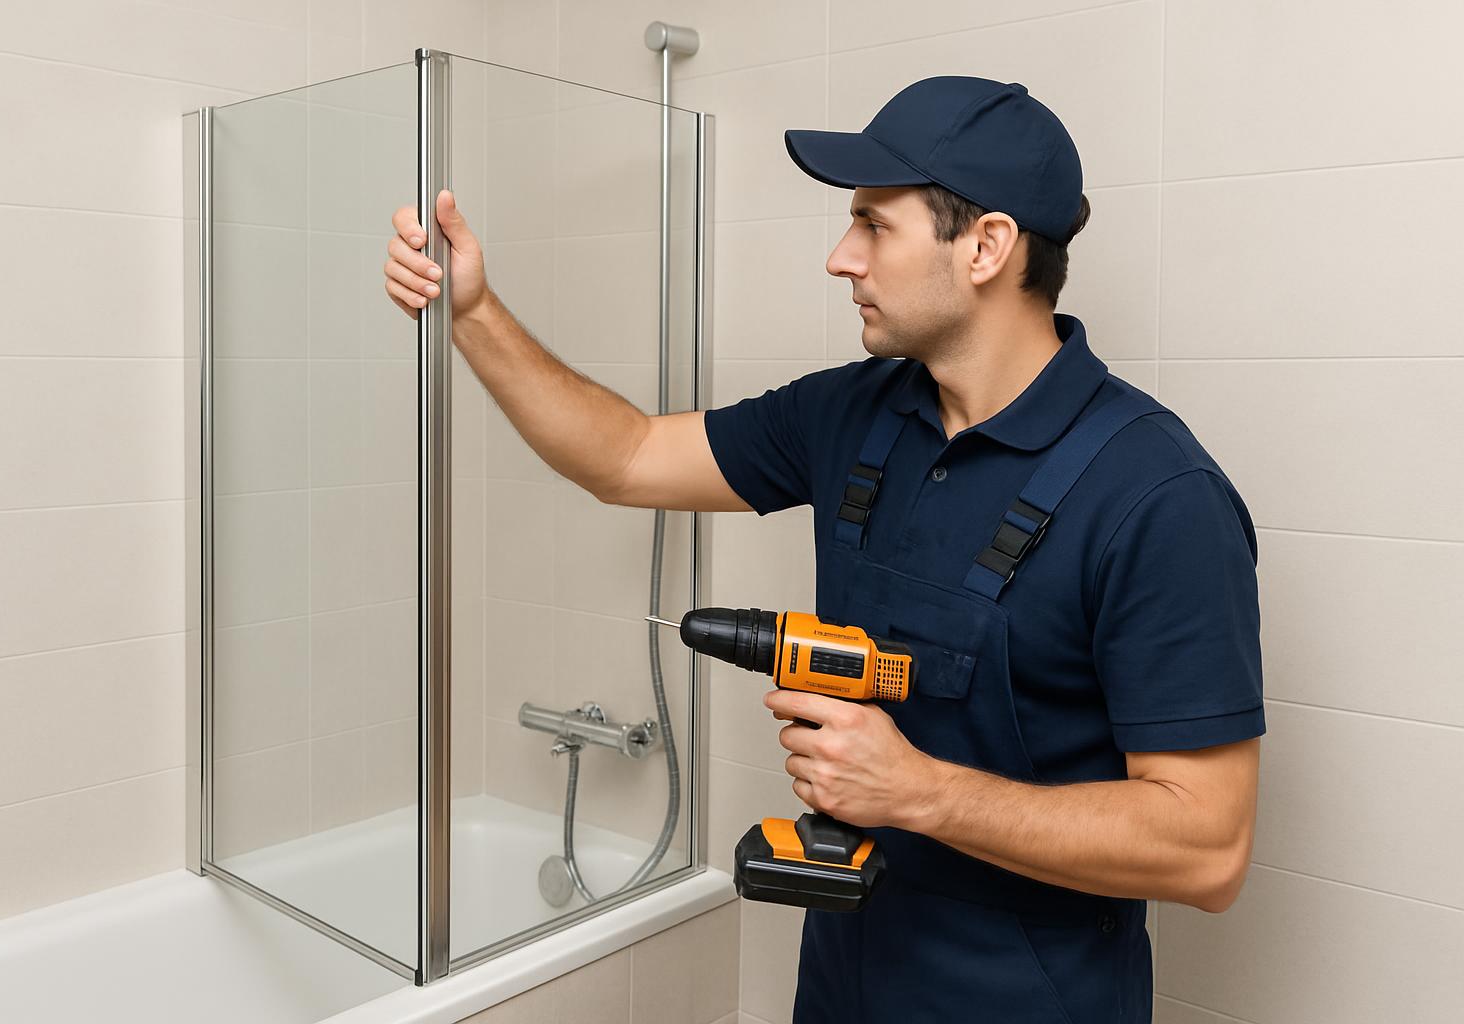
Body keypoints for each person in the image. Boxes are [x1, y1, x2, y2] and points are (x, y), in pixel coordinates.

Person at [383, 76, 1264, 1024]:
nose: (841, 258)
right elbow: (627, 457)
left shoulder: (1157, 496)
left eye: (874, 226)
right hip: (846, 982)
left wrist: (920, 791)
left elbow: (1208, 849)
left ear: (987, 246)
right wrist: (474, 314)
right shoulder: (856, 410)